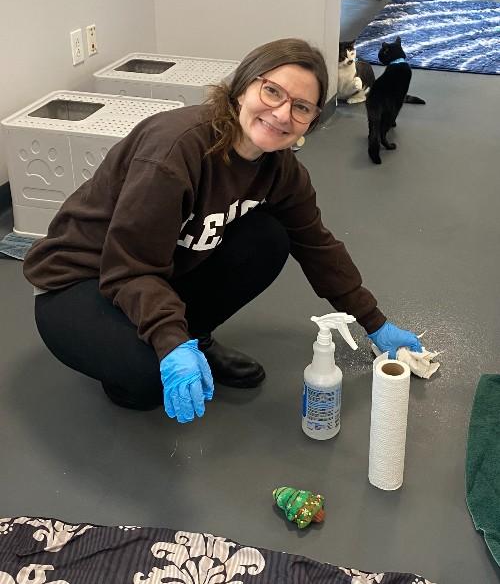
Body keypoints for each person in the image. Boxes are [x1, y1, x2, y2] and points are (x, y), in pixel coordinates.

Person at [23, 38, 422, 424]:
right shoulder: (175, 151)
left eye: (301, 107)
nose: (282, 114)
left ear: (311, 121)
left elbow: (317, 245)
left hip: (154, 271)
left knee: (268, 237)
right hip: (79, 281)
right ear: (241, 89)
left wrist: (375, 323)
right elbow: (130, 267)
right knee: (147, 380)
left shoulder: (279, 170)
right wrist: (169, 340)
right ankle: (137, 357)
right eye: (272, 92)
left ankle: (194, 337)